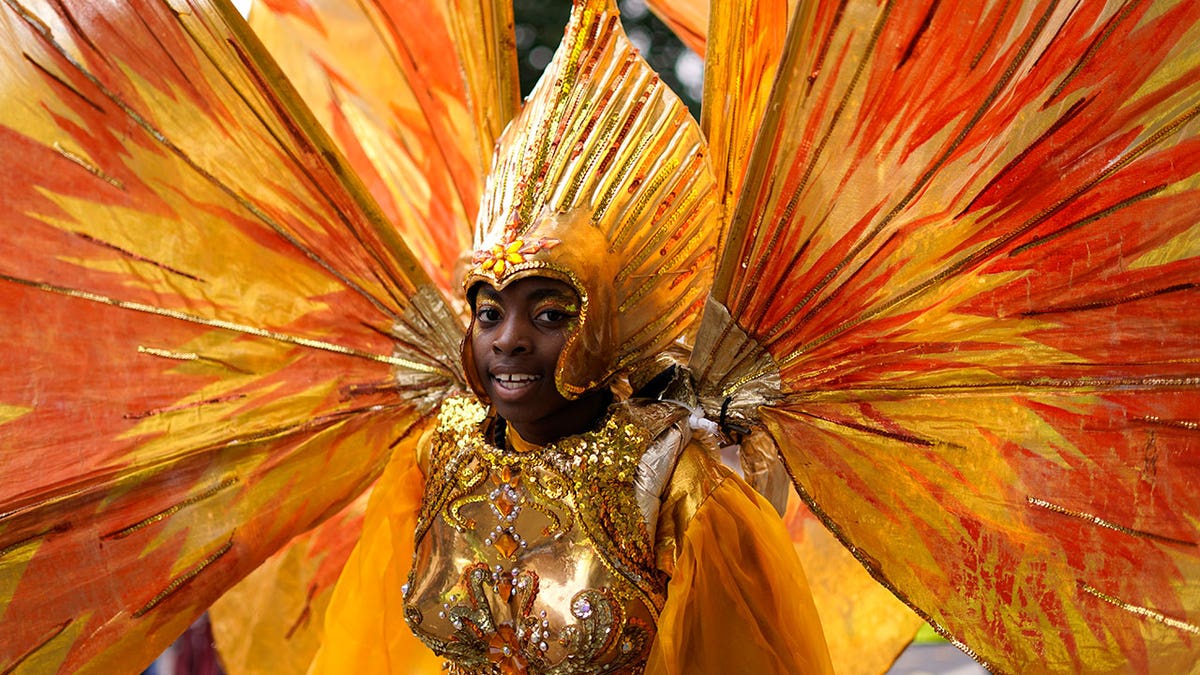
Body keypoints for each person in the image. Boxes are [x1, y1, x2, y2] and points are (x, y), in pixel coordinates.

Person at [308, 2, 832, 672]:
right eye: (490, 312)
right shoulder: (436, 456)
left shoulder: (674, 477)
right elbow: (369, 651)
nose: (510, 341)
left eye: (550, 314)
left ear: (607, 323)